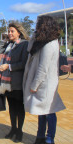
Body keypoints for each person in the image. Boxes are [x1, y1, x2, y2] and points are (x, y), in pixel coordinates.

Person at [23, 16, 66, 144]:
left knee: (49, 112)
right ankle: (40, 135)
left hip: (46, 84)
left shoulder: (51, 44)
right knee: (41, 111)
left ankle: (49, 138)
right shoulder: (40, 41)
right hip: (40, 83)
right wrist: (34, 36)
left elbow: (43, 68)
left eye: (39, 25)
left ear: (45, 26)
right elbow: (29, 49)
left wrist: (34, 85)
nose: (36, 27)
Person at [0, 23, 29, 142]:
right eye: (9, 31)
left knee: (19, 108)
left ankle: (19, 131)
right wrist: (4, 39)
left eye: (12, 31)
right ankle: (13, 129)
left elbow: (24, 63)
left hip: (18, 82)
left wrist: (8, 66)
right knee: (11, 108)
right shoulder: (8, 44)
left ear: (19, 32)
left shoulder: (24, 44)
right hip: (7, 82)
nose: (10, 33)